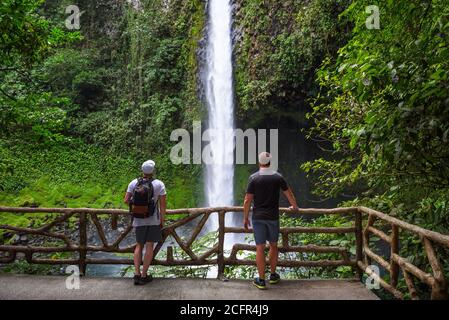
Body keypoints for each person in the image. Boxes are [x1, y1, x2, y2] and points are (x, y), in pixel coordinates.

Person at [243, 152, 299, 290]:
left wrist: (245, 218)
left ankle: (261, 280)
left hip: (258, 218)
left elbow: (247, 200)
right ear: (270, 162)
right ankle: (273, 275)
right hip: (273, 217)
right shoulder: (278, 177)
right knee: (274, 245)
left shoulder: (253, 178)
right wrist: (295, 206)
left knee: (260, 247)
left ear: (259, 162)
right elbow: (289, 193)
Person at [124, 160, 166, 285]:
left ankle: (136, 274)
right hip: (153, 220)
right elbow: (163, 206)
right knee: (149, 246)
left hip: (138, 219)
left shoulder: (134, 183)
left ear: (142, 170)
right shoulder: (159, 184)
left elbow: (126, 200)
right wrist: (162, 221)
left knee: (138, 246)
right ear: (153, 171)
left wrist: (137, 203)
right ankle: (144, 275)